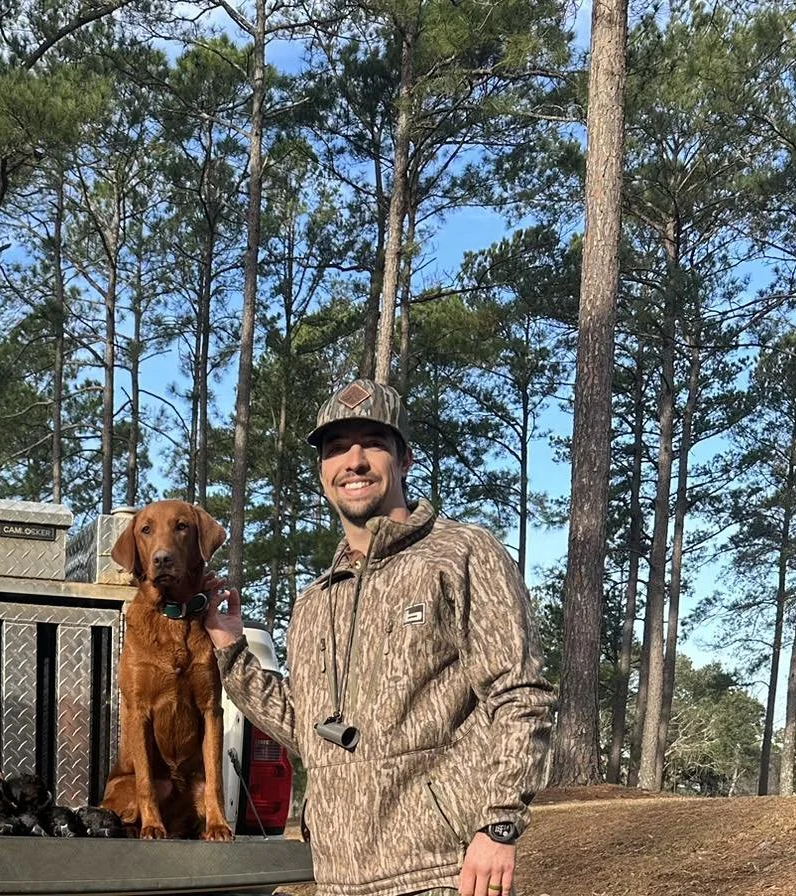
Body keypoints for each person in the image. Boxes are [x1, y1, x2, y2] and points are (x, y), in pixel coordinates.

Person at [204, 379, 555, 896]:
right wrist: (231, 650)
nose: (355, 460)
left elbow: (520, 696)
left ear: (404, 459)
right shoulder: (314, 602)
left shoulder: (460, 553)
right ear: (323, 470)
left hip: (439, 871)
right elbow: (307, 727)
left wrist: (497, 826)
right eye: (337, 449)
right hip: (337, 878)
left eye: (372, 442)